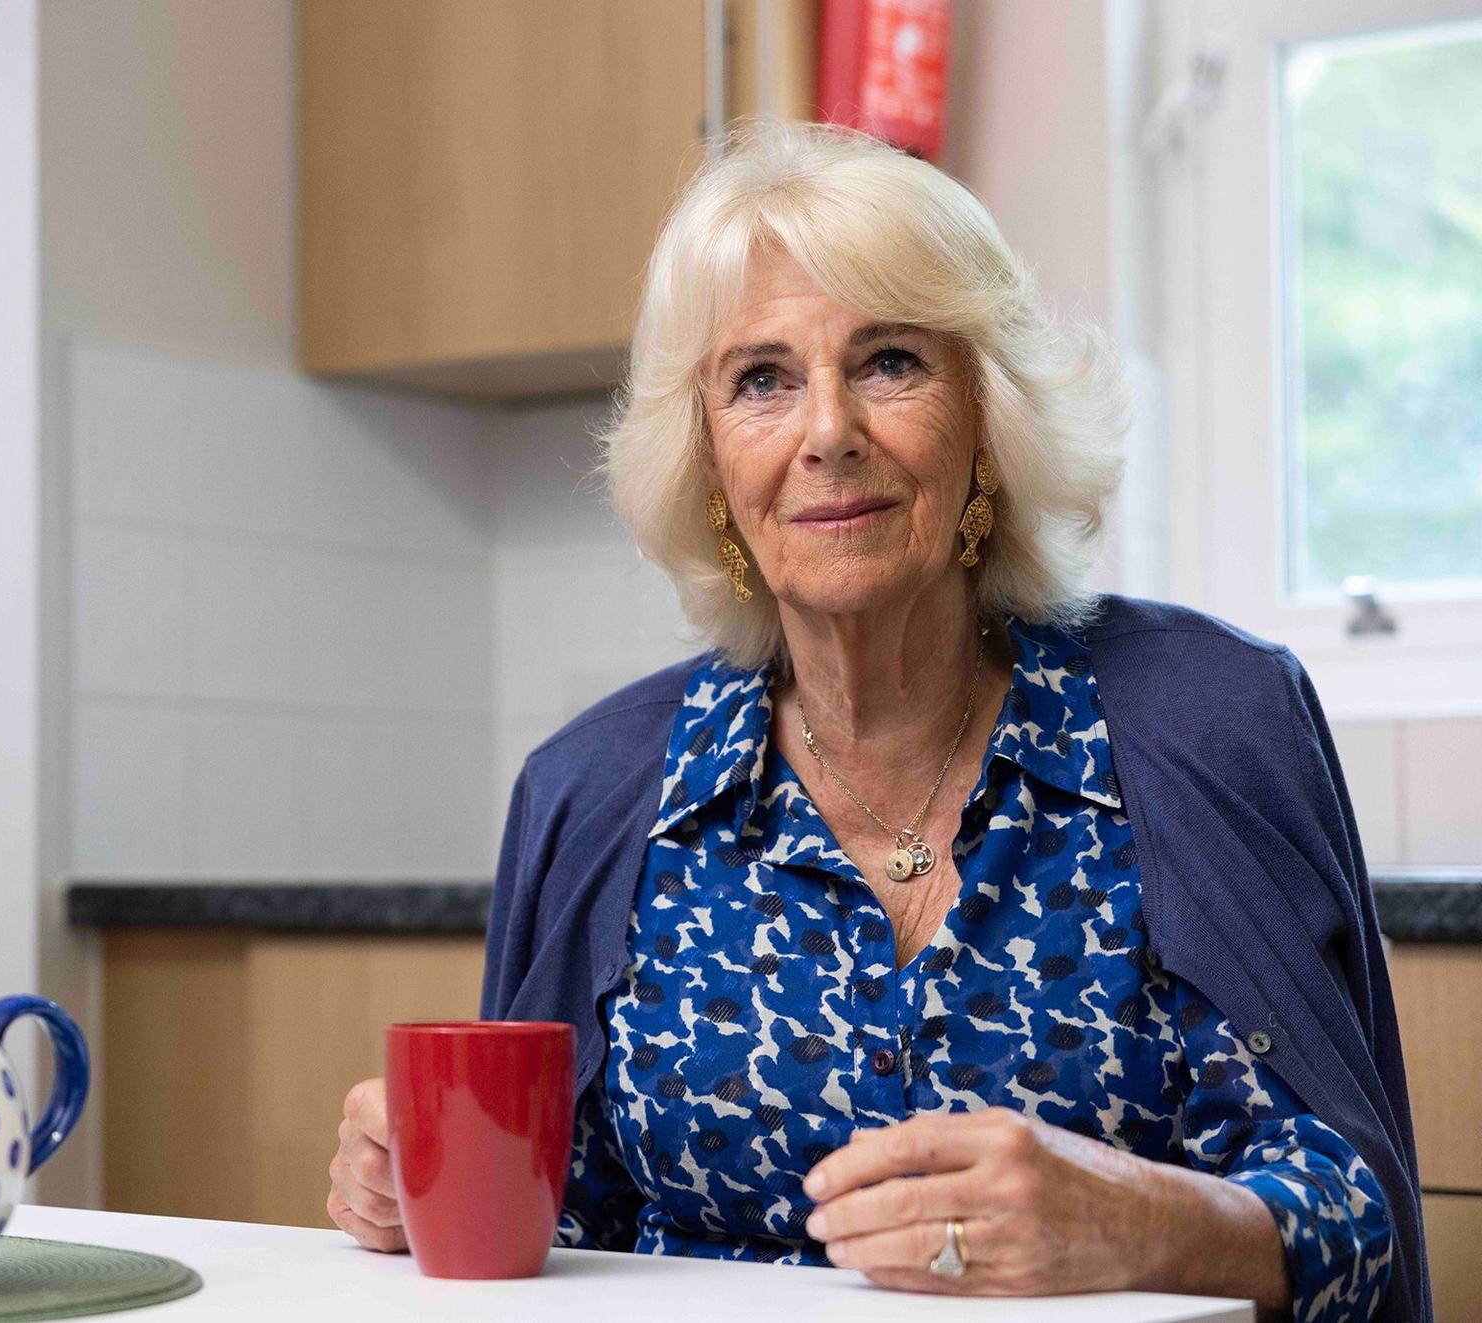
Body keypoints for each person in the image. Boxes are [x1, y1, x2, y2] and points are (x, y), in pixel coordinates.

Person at [326, 122, 1424, 1322]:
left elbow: (1364, 1224)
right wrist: (412, 1191)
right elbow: (546, 1242)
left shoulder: (1211, 722)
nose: (827, 430)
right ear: (707, 467)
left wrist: (1143, 1221)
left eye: (890, 360)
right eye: (762, 379)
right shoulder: (594, 788)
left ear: (986, 425)